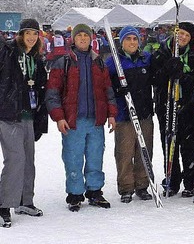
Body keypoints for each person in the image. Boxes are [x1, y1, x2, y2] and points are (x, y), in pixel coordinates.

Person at [46, 23, 117, 212]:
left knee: (95, 156)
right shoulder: (64, 62)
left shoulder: (98, 62)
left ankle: (94, 191)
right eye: (80, 36)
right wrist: (59, 117)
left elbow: (107, 91)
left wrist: (111, 114)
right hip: (73, 122)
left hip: (96, 120)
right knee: (73, 158)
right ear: (74, 39)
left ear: (91, 39)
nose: (83, 39)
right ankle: (75, 193)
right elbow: (52, 93)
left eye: (87, 36)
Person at [0, 19, 48, 227]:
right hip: (9, 114)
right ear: (20, 35)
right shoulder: (8, 52)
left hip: (29, 114)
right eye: (27, 33)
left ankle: (24, 201)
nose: (31, 37)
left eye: (35, 34)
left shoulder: (36, 58)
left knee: (28, 159)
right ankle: (3, 205)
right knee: (15, 159)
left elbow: (39, 87)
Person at [150, 22, 194, 198]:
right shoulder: (161, 52)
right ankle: (172, 180)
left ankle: (190, 182)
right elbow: (154, 79)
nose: (183, 37)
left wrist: (183, 76)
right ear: (175, 33)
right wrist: (167, 69)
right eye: (181, 33)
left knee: (188, 145)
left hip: (186, 105)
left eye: (187, 36)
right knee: (169, 143)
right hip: (166, 105)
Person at [105, 26, 155, 203]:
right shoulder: (113, 62)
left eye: (135, 39)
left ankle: (142, 185)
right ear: (122, 42)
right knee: (124, 153)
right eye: (128, 39)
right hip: (124, 114)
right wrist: (118, 88)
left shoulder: (145, 59)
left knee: (144, 150)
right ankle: (126, 187)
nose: (132, 42)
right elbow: (106, 87)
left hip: (144, 112)